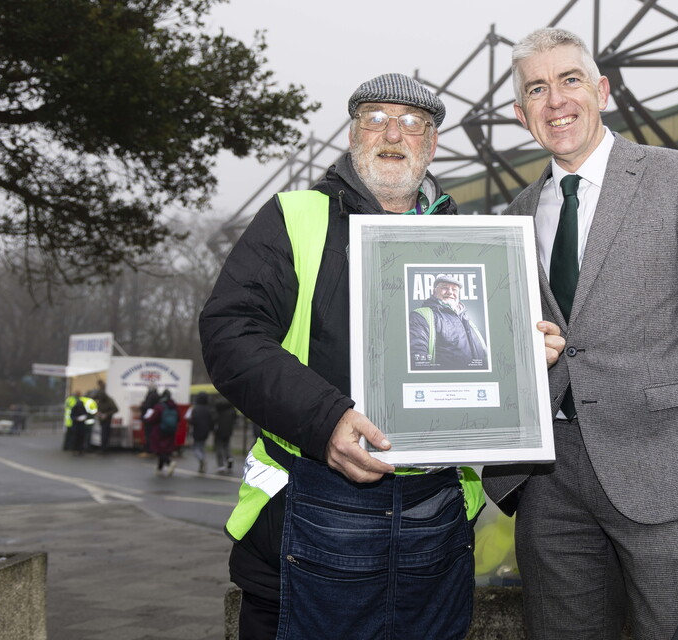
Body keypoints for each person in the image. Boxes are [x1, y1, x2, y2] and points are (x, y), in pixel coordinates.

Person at [481, 28, 678, 640]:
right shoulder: (513, 216)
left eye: (570, 80)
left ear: (603, 91)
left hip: (667, 474)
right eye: (537, 89)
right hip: (548, 481)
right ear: (520, 112)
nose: (555, 100)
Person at [199, 73, 479, 640]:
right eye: (375, 118)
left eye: (411, 123)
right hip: (309, 508)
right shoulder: (295, 217)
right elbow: (231, 331)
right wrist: (324, 419)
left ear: (431, 143)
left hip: (437, 522)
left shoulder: (473, 239)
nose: (392, 134)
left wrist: (529, 349)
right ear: (353, 135)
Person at [409, 274, 489, 370]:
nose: (450, 292)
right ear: (434, 292)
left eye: (454, 289)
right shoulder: (421, 316)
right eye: (444, 288)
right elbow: (418, 357)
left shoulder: (468, 321)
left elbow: (485, 354)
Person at [144, 389, 178, 476]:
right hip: (171, 430)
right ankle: (159, 469)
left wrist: (147, 419)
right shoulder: (174, 406)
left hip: (159, 431)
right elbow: (179, 418)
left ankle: (169, 462)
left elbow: (152, 419)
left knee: (158, 449)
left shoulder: (159, 406)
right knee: (165, 449)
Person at [187, 391, 216, 473]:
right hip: (206, 431)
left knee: (196, 448)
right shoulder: (208, 409)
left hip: (197, 430)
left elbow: (192, 421)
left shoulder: (195, 409)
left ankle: (202, 460)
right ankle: (201, 465)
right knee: (202, 447)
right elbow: (211, 421)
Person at [67, 390, 98, 455]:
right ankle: (84, 448)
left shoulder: (78, 401)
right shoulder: (91, 401)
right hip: (86, 423)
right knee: (84, 437)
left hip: (78, 424)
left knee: (76, 437)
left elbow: (72, 414)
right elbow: (94, 412)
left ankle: (76, 449)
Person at [212, 397, 237, 473]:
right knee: (226, 445)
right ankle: (229, 458)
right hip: (228, 430)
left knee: (219, 446)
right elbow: (235, 419)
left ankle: (221, 465)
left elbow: (214, 419)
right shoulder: (231, 409)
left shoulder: (218, 408)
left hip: (219, 430)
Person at [93, 381, 118, 453]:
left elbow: (115, 409)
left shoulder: (109, 400)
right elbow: (98, 406)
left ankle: (104, 448)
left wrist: (107, 414)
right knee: (103, 434)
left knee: (105, 434)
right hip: (101, 419)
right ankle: (103, 447)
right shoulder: (100, 399)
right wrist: (98, 412)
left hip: (107, 419)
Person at [138, 385, 160, 458]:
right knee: (152, 434)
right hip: (154, 418)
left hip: (148, 418)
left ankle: (148, 450)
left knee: (148, 434)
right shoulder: (157, 395)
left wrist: (142, 406)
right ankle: (153, 450)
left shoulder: (151, 395)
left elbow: (148, 406)